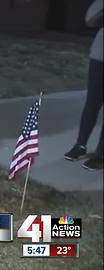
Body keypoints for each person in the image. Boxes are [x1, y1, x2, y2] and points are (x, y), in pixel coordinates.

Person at [64, 0, 103, 171]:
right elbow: (90, 19)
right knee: (92, 103)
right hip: (100, 57)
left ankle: (101, 155)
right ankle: (80, 145)